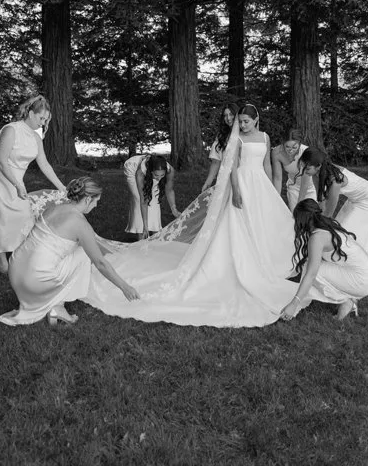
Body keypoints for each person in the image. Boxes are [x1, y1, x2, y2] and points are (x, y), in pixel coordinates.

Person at [83, 103, 298, 327]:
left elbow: (266, 166)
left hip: (259, 185)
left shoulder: (265, 138)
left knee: (261, 223)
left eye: (245, 121)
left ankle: (265, 261)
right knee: (239, 224)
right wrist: (235, 190)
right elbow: (232, 167)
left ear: (256, 120)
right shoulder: (238, 140)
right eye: (240, 121)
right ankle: (240, 261)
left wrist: (272, 192)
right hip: (242, 183)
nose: (241, 125)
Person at [0, 178, 140, 326]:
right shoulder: (80, 224)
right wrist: (125, 287)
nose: (96, 205)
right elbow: (100, 263)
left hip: (16, 270)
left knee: (70, 249)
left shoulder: (53, 208)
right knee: (84, 255)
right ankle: (58, 306)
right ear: (87, 199)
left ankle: (53, 304)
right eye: (96, 201)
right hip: (33, 281)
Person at [0, 94, 68, 272]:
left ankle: (17, 252)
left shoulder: (36, 138)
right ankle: (2, 260)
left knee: (23, 213)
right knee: (0, 215)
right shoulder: (11, 130)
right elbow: (2, 162)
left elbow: (44, 164)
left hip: (15, 179)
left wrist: (62, 187)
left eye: (46, 120)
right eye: (41, 118)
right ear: (30, 113)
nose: (43, 123)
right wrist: (18, 185)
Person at [280, 199, 368, 321]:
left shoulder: (317, 238)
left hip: (362, 281)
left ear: (303, 220)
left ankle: (347, 299)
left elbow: (311, 274)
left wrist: (294, 304)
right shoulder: (326, 225)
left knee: (310, 271)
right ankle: (348, 299)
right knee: (311, 267)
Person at [299, 148, 368, 256]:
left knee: (344, 232)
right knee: (339, 227)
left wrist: (317, 226)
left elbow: (329, 212)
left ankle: (350, 259)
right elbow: (321, 200)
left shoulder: (335, 180)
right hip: (355, 200)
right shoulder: (316, 174)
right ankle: (340, 257)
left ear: (318, 166)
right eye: (303, 167)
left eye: (307, 168)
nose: (305, 172)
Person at [122, 153, 179, 238]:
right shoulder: (140, 173)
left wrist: (174, 209)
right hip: (132, 168)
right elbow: (143, 200)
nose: (159, 179)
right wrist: (145, 227)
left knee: (154, 199)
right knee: (138, 199)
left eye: (162, 175)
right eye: (156, 175)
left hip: (148, 170)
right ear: (151, 171)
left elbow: (169, 190)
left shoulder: (170, 170)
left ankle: (155, 233)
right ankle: (142, 235)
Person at [270, 128, 314, 210]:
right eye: (287, 147)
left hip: (308, 187)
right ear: (283, 143)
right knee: (294, 217)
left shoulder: (306, 152)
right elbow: (278, 178)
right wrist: (276, 198)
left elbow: (305, 183)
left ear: (300, 143)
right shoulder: (276, 152)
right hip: (292, 187)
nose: (290, 150)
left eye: (294, 147)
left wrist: (299, 204)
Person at [199, 102, 238, 192]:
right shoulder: (222, 136)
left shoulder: (245, 135)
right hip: (225, 177)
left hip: (242, 176)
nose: (228, 118)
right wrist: (208, 183)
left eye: (231, 114)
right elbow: (216, 161)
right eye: (225, 115)